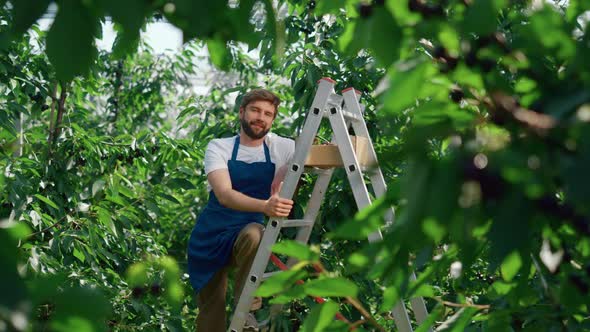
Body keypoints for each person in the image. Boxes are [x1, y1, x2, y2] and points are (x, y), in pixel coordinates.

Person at [188, 89, 295, 332]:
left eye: (268, 114)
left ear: (273, 120)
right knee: (210, 315)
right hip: (211, 236)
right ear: (241, 112)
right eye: (255, 110)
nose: (261, 117)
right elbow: (225, 195)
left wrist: (285, 171)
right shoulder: (219, 147)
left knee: (255, 233)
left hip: (246, 234)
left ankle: (244, 308)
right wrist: (265, 206)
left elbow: (313, 151)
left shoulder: (280, 147)